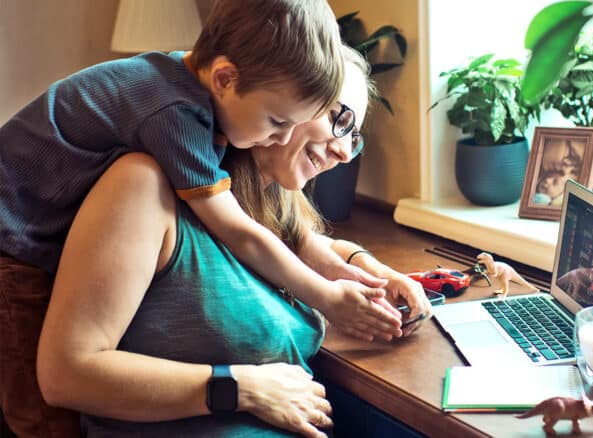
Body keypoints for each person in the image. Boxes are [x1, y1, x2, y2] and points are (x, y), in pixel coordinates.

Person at [0, 1, 399, 435]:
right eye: (338, 118)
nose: (343, 149)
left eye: (355, 134)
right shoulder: (168, 135)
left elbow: (288, 237)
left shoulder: (236, 172)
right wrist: (245, 381)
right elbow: (65, 376)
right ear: (227, 81)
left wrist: (362, 268)